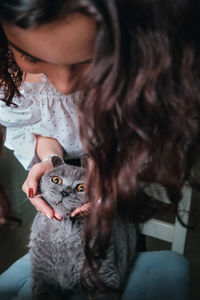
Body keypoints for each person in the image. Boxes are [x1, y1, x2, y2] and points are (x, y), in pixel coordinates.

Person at [0, 0, 199, 298]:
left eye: (90, 59)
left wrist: (107, 167)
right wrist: (50, 159)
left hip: (117, 188)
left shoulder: (142, 76)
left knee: (111, 256)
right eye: (32, 56)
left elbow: (141, 138)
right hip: (66, 205)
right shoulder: (9, 78)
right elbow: (38, 127)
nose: (65, 85)